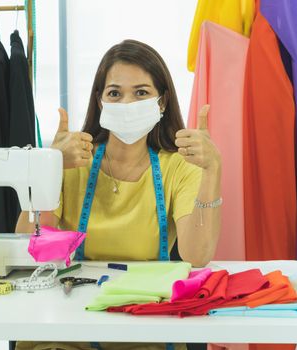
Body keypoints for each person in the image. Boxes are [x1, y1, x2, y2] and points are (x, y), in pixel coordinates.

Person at [15, 39, 222, 350]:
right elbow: (28, 246)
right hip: (67, 330)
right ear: (100, 101)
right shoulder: (74, 161)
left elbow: (198, 255)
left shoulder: (178, 166)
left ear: (162, 102)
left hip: (145, 331)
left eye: (141, 93)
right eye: (115, 93)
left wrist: (212, 170)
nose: (126, 104)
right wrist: (50, 168)